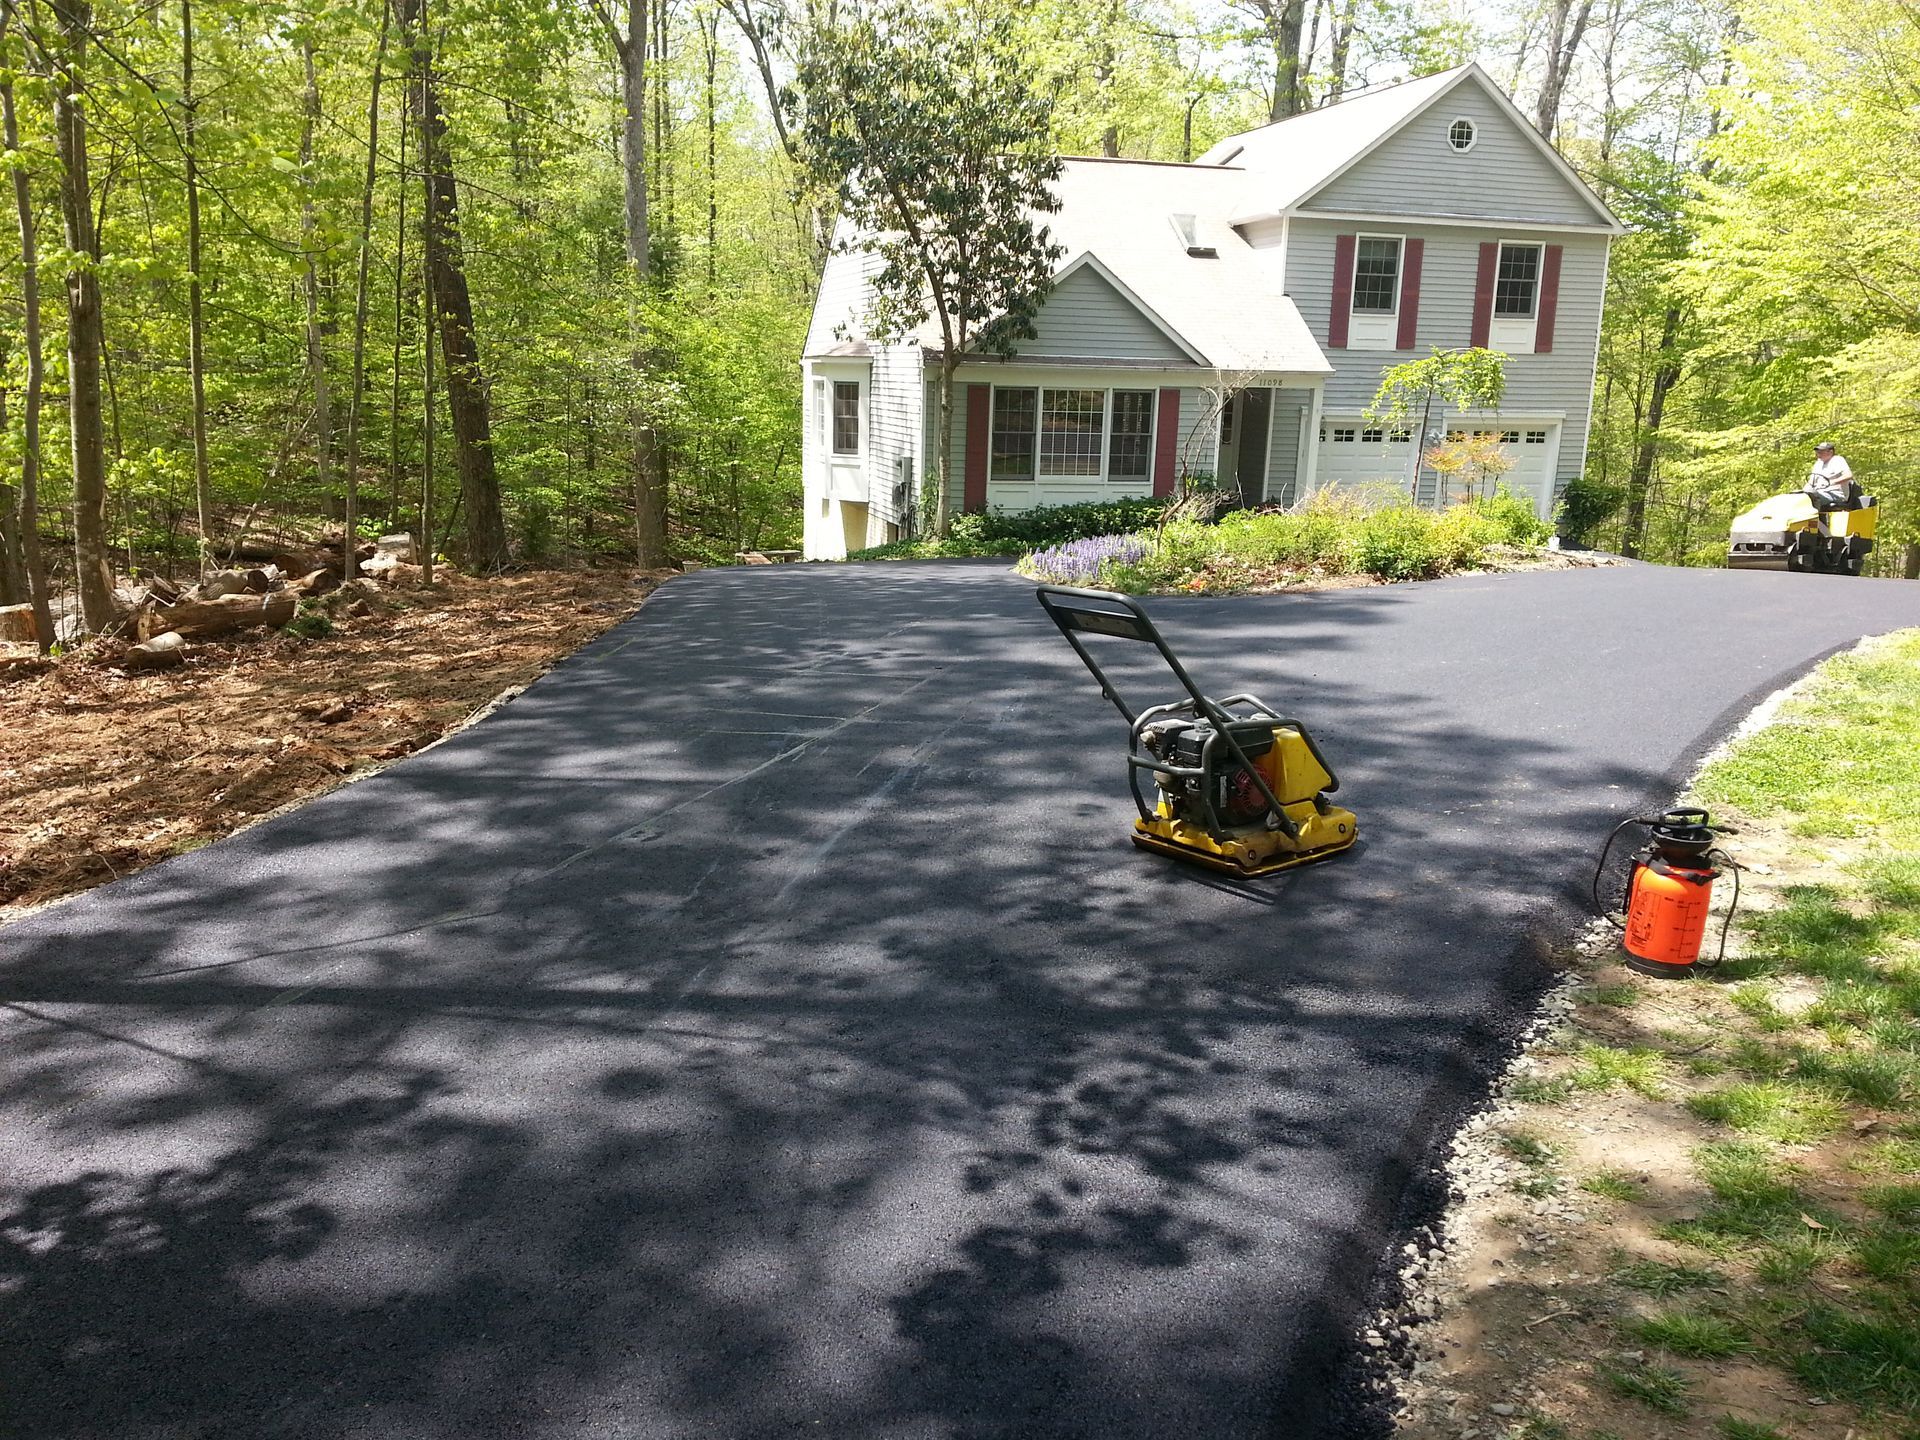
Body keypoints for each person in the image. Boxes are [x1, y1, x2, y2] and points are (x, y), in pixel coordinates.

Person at [1805, 442, 1856, 511]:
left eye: (1821, 452)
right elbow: (1811, 482)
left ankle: (1816, 519)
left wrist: (1832, 482)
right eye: (1818, 452)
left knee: (1811, 498)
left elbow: (1848, 475)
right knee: (1802, 497)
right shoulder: (1818, 464)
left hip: (1835, 494)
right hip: (1819, 493)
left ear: (1830, 452)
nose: (1818, 454)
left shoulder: (1837, 460)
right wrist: (1803, 491)